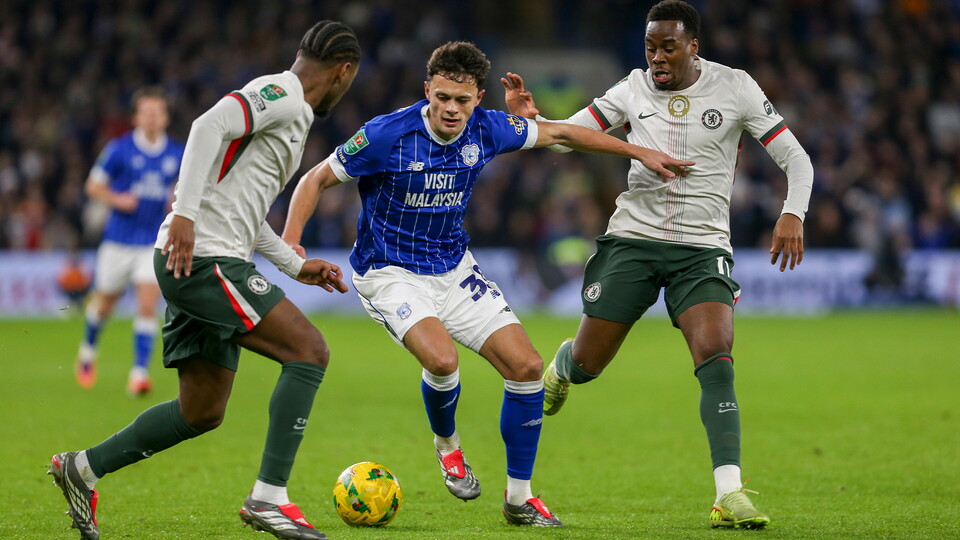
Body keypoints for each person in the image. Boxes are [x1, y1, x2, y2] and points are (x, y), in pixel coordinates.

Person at [282, 41, 692, 528]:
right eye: (442, 98)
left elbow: (561, 133)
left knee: (527, 367)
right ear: (427, 91)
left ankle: (520, 500)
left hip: (454, 269)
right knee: (442, 358)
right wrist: (290, 249)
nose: (451, 110)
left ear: (478, 97)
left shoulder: (490, 127)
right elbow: (313, 180)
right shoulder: (385, 135)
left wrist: (637, 151)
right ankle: (448, 447)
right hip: (390, 272)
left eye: (462, 100)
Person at [502, 0, 814, 530]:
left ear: (694, 46)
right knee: (588, 366)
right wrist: (534, 121)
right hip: (633, 242)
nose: (657, 58)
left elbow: (796, 158)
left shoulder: (735, 87)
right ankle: (564, 366)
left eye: (668, 46)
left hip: (702, 248)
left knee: (715, 352)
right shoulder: (632, 89)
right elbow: (567, 140)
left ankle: (729, 493)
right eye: (651, 47)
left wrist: (792, 212)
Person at [48, 20, 361, 540]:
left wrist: (291, 263)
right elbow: (205, 126)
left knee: (202, 410)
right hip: (204, 260)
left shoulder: (295, 113)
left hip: (200, 257)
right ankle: (270, 498)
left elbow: (245, 209)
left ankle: (81, 469)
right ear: (344, 71)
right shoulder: (280, 93)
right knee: (309, 351)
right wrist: (187, 215)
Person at [74, 87, 184, 396]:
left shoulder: (177, 153)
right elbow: (93, 185)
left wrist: (175, 199)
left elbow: (183, 188)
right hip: (117, 241)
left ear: (165, 117)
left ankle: (138, 374)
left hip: (152, 242)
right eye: (146, 112)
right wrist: (117, 199)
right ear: (136, 117)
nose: (152, 118)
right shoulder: (119, 149)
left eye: (157, 112)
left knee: (147, 305)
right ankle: (88, 349)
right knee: (104, 303)